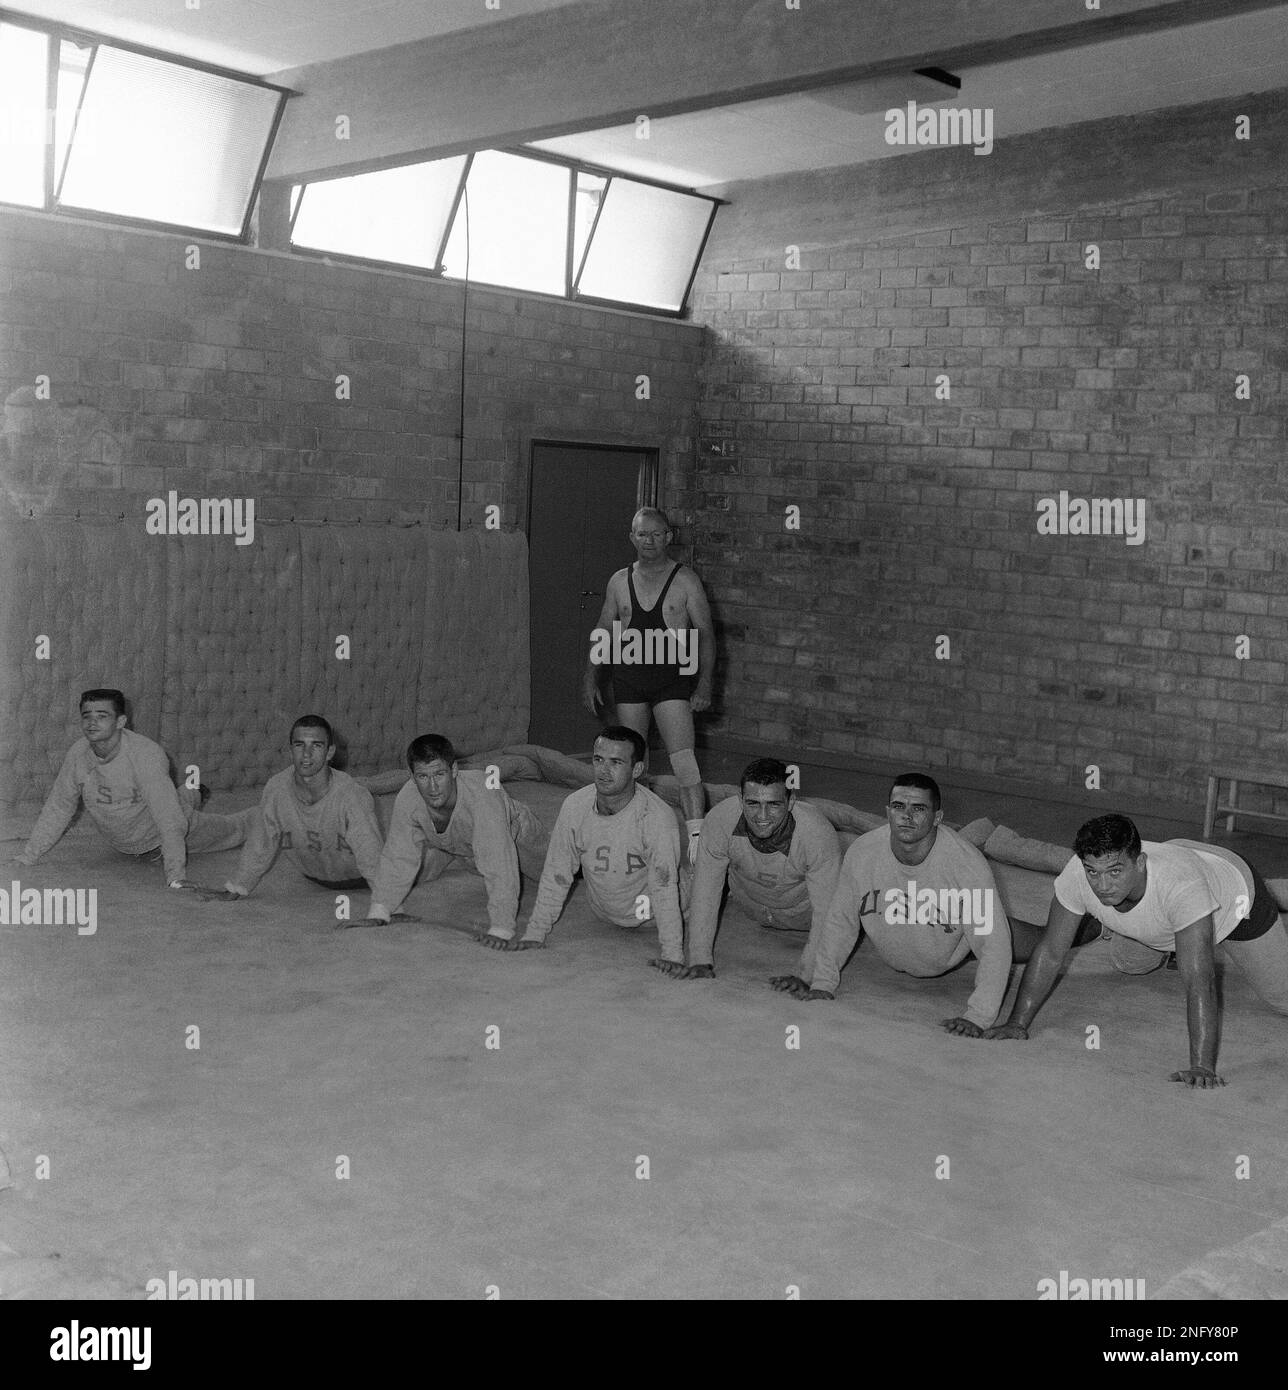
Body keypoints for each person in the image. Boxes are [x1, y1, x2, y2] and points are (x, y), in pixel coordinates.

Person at [985, 814, 1288, 1087]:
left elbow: (1200, 980)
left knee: (1283, 999)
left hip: (1234, 894)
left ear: (1140, 862)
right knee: (1129, 962)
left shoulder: (1181, 885)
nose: (1102, 885)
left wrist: (1201, 1066)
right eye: (1093, 872)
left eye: (1114, 872)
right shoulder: (1078, 874)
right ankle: (1138, 926)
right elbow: (1051, 951)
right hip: (1177, 870)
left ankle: (1274, 891)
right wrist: (1016, 1023)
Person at [771, 773, 1014, 1036]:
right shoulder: (863, 851)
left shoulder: (967, 863)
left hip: (957, 945)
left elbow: (994, 944)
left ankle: (1062, 933)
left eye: (919, 809)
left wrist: (978, 1016)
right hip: (904, 934)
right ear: (887, 812)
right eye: (899, 807)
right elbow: (841, 920)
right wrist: (822, 983)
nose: (906, 816)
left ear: (938, 818)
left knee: (1017, 938)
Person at [482, 726, 684, 969]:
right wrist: (535, 933)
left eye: (616, 762)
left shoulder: (657, 817)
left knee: (697, 872)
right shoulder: (575, 806)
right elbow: (557, 873)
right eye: (598, 760)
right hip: (606, 912)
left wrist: (672, 954)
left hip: (655, 914)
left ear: (637, 769)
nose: (604, 771)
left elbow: (664, 887)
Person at [9, 688, 252, 889]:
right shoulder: (78, 754)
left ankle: (212, 798)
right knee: (172, 797)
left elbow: (170, 821)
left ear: (121, 721)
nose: (92, 722)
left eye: (102, 716)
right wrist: (28, 856)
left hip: (168, 832)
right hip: (128, 836)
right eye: (87, 716)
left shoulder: (146, 756)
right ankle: (194, 790)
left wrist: (176, 876)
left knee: (232, 828)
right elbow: (58, 807)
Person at [581, 506, 714, 864]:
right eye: (642, 534)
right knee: (631, 763)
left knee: (684, 763)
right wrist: (591, 675)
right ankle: (633, 833)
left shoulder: (686, 581)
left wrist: (704, 684)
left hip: (671, 682)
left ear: (669, 537)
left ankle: (697, 841)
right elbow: (604, 630)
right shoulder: (618, 581)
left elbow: (705, 635)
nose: (650, 541)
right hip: (629, 681)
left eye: (657, 534)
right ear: (632, 537)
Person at [350, 734, 547, 935]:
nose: (432, 787)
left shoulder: (484, 794)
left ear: (454, 770)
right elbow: (398, 856)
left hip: (518, 836)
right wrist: (379, 911)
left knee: (561, 874)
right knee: (414, 871)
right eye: (423, 777)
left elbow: (498, 860)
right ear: (411, 775)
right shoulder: (408, 798)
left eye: (439, 775)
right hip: (459, 846)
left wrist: (501, 927)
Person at [673, 757, 841, 980]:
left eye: (773, 804)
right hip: (752, 907)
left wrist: (809, 975)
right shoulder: (720, 820)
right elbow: (705, 891)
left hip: (802, 916)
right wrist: (699, 959)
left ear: (791, 802)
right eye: (753, 804)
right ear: (740, 800)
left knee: (849, 838)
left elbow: (828, 913)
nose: (762, 817)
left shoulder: (817, 834)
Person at [195, 716, 383, 900]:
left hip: (358, 879)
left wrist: (385, 905)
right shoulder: (276, 788)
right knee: (253, 816)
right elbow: (261, 842)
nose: (306, 754)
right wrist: (237, 887)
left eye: (316, 745)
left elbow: (371, 853)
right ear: (290, 750)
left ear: (330, 752)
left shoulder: (352, 796)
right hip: (314, 877)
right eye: (299, 745)